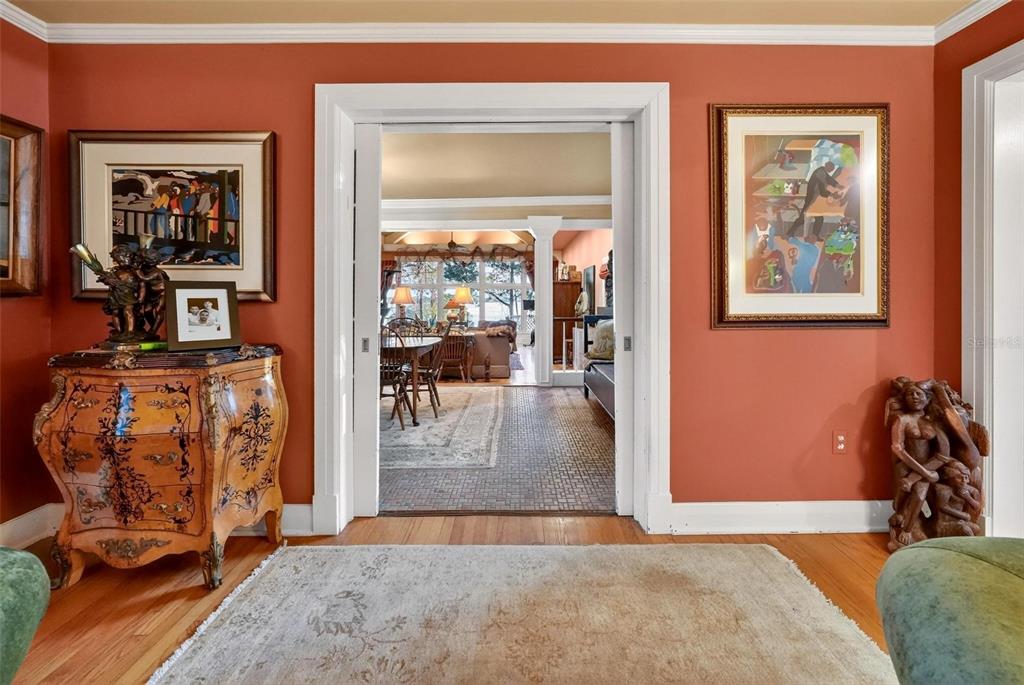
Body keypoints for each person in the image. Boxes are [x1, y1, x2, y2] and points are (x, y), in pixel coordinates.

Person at [787, 161, 844, 241]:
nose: (831, 170)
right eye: (831, 168)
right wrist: (832, 194)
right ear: (827, 166)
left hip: (814, 199)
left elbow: (829, 180)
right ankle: (790, 233)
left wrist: (838, 186)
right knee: (804, 218)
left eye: (832, 169)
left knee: (818, 218)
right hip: (811, 200)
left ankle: (814, 236)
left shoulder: (822, 171)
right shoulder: (820, 173)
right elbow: (823, 191)